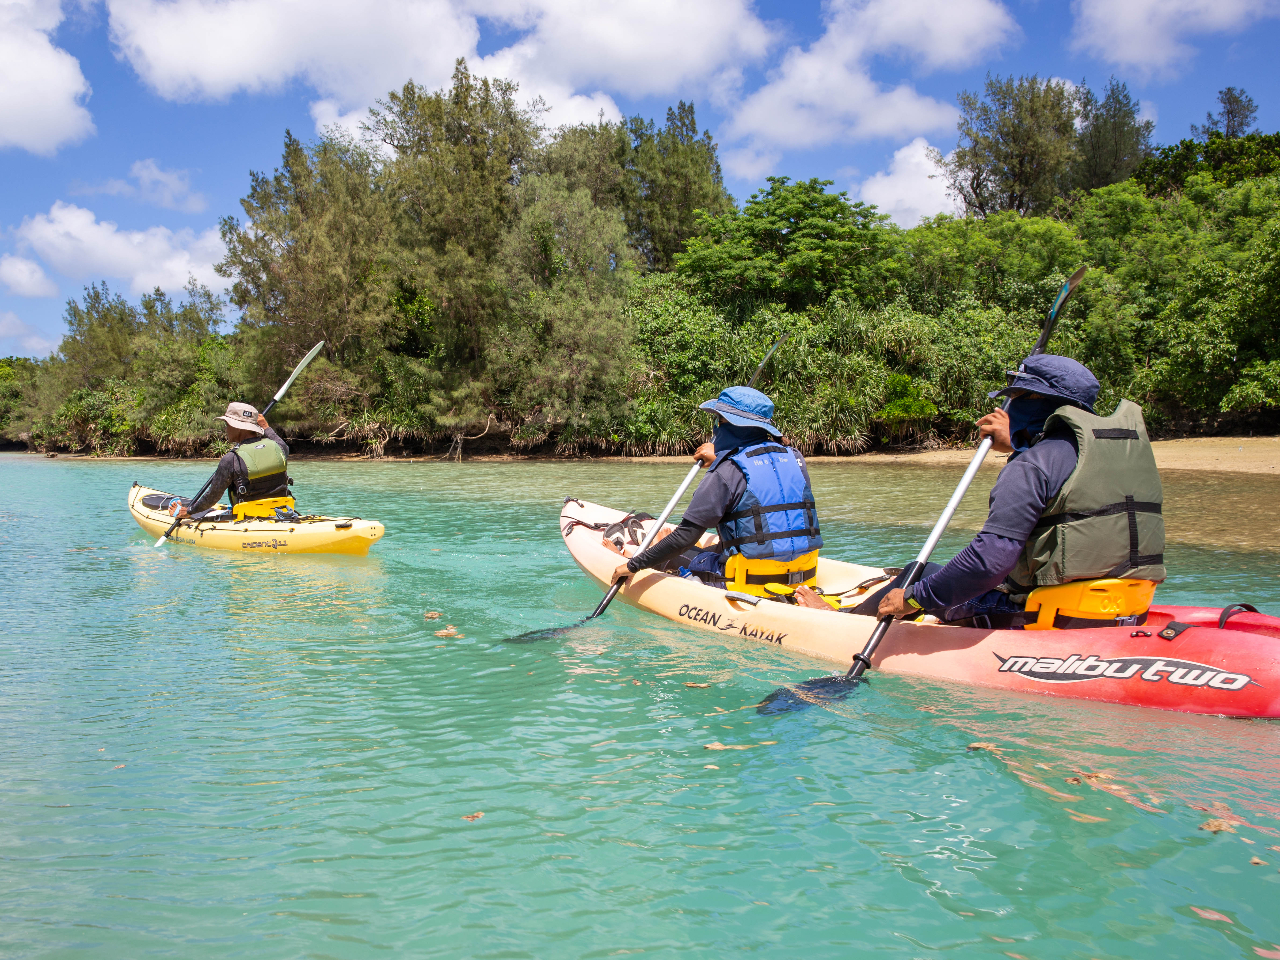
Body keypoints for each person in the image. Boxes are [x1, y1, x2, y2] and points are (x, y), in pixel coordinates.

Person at [795, 355, 1165, 628]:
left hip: (1041, 614)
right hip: (1124, 605)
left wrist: (913, 598)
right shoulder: (1114, 454)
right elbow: (1066, 483)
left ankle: (842, 623)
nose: (1009, 405)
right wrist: (1021, 443)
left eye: (1015, 396)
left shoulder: (1031, 465)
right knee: (925, 576)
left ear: (1033, 402)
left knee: (916, 575)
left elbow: (990, 562)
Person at [609, 386, 822, 595]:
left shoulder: (727, 471)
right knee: (711, 550)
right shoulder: (795, 458)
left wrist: (633, 566)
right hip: (803, 575)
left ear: (730, 427)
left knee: (675, 554)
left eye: (718, 421)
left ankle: (631, 551)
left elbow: (684, 538)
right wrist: (719, 459)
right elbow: (760, 477)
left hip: (744, 583)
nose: (715, 429)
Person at [170, 402, 291, 518]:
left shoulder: (231, 459)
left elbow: (213, 496)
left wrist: (190, 510)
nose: (226, 428)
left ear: (238, 427)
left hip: (247, 517)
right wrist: (266, 427)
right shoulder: (279, 448)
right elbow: (281, 443)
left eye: (227, 424)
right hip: (281, 512)